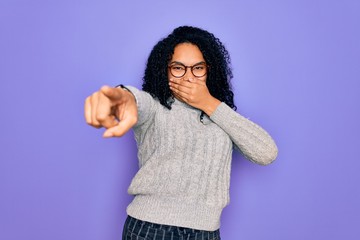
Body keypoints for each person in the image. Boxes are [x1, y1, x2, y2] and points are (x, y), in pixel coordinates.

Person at [84, 26, 278, 240]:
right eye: (178, 68)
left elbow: (267, 153)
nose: (188, 77)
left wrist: (209, 103)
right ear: (164, 70)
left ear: (209, 70)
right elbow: (135, 100)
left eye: (198, 68)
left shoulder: (220, 115)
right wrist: (120, 97)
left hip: (207, 232)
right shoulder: (156, 107)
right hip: (151, 229)